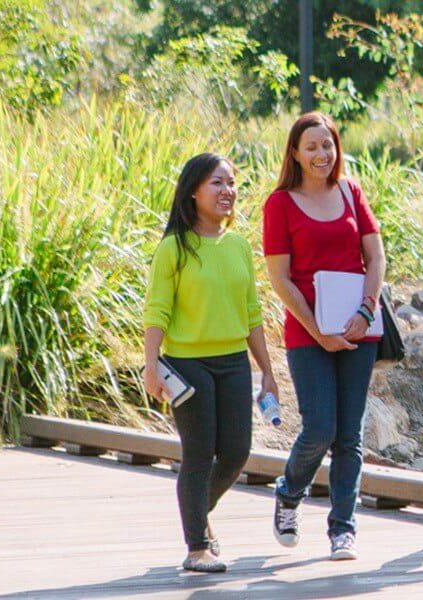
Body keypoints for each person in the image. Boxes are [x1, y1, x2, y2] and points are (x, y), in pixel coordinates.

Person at [141, 153, 278, 574]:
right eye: (217, 183)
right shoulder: (174, 248)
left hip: (234, 361)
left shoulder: (237, 245)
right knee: (199, 455)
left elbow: (252, 313)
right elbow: (157, 310)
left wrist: (268, 371)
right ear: (194, 191)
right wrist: (150, 365)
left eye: (232, 183)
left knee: (236, 452)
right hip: (188, 365)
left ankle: (198, 513)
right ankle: (197, 545)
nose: (228, 192)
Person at [263, 112, 387, 561]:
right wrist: (319, 331)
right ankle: (289, 493)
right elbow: (280, 279)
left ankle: (343, 530)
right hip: (307, 332)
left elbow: (375, 256)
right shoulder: (279, 203)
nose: (321, 154)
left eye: (328, 145)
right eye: (311, 146)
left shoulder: (351, 192)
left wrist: (365, 309)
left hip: (359, 328)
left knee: (349, 435)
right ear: (295, 152)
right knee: (319, 428)